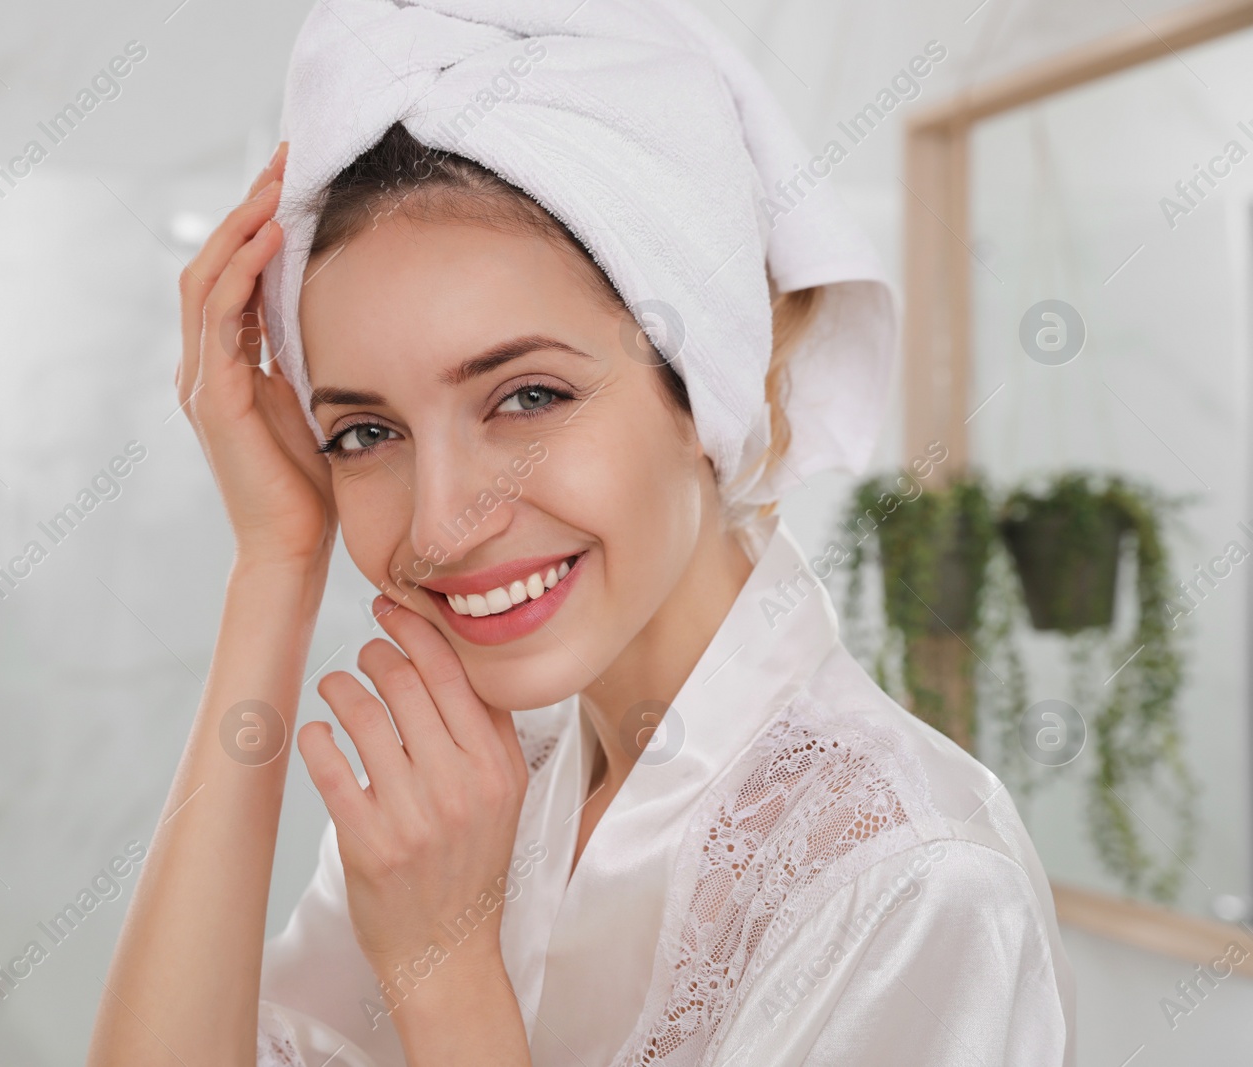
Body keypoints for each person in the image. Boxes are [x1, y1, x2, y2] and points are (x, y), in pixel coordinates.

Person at [87, 2, 1074, 1065]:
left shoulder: (910, 880)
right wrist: (274, 560)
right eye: (365, 430)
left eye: (526, 396)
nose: (439, 520)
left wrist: (446, 970)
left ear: (701, 387)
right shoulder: (478, 788)